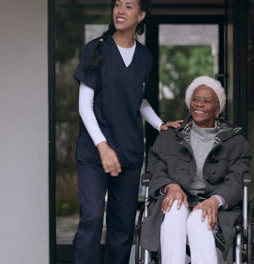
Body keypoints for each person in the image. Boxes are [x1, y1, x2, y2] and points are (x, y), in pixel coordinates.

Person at [72, 0, 181, 263]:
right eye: (117, 4)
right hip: (93, 153)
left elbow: (138, 100)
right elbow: (84, 105)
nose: (120, 10)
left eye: (129, 6)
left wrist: (158, 124)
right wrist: (102, 146)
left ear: (141, 15)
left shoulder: (145, 58)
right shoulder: (96, 49)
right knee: (93, 218)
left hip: (129, 154)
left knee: (122, 227)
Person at [140, 76, 252, 264]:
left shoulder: (236, 142)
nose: (199, 104)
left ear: (218, 109)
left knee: (200, 219)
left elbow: (237, 180)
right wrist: (170, 186)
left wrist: (215, 200)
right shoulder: (170, 136)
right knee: (175, 208)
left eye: (206, 101)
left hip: (215, 207)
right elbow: (155, 168)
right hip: (175, 200)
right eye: (195, 99)